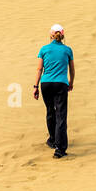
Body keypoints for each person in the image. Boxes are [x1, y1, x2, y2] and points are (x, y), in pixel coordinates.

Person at [34, 24, 74, 158]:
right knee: (61, 115)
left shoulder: (44, 49)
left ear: (51, 35)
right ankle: (59, 148)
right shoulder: (68, 50)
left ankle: (52, 140)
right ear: (62, 35)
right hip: (61, 84)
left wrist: (35, 86)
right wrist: (71, 83)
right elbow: (72, 70)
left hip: (46, 84)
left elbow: (39, 69)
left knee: (50, 111)